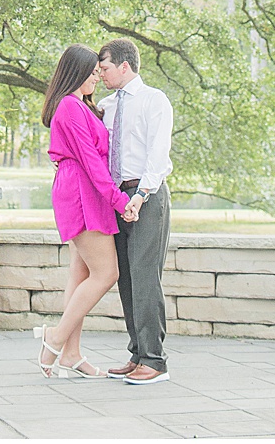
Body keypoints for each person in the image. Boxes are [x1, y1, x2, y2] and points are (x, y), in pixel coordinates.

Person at [35, 44, 130, 379]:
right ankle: (55, 339)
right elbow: (91, 162)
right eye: (91, 72)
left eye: (97, 72)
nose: (95, 77)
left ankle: (70, 353)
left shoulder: (78, 106)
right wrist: (119, 201)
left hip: (82, 189)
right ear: (76, 72)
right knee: (107, 274)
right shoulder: (70, 107)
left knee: (81, 274)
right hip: (81, 193)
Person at [96, 38, 174, 384]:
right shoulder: (106, 105)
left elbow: (158, 155)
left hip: (147, 195)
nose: (101, 74)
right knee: (125, 276)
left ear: (125, 66)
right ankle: (137, 353)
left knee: (145, 275)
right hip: (115, 198)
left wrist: (140, 196)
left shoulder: (154, 100)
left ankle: (155, 361)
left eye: (106, 67)